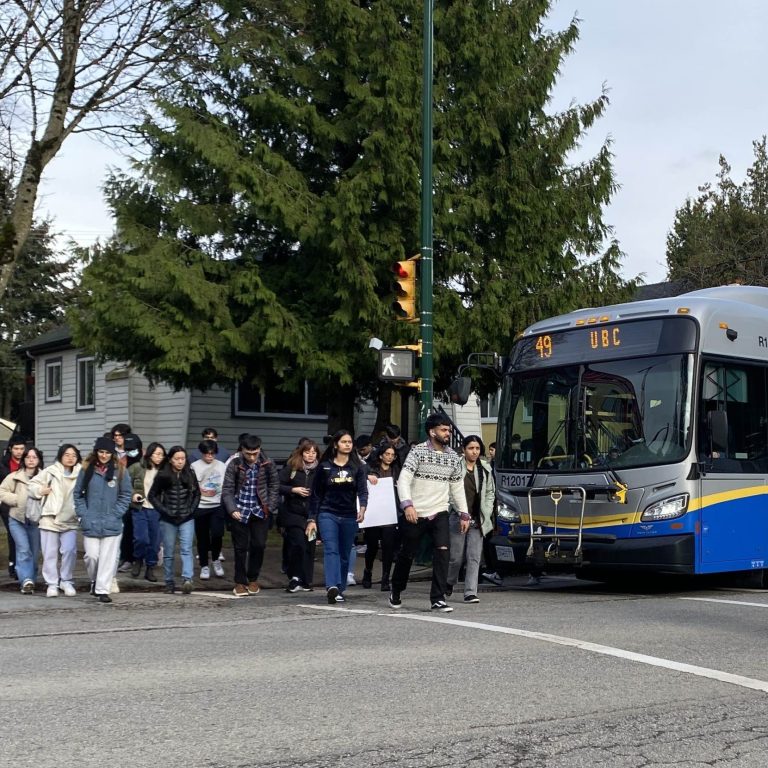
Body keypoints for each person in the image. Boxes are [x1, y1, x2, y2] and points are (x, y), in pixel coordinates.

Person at [390, 412, 469, 612]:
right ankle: (396, 590)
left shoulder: (453, 457)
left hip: (440, 512)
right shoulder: (417, 452)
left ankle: (438, 598)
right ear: (432, 432)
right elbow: (404, 480)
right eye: (443, 430)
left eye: (448, 430)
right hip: (416, 512)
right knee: (407, 554)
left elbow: (457, 487)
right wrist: (407, 505)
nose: (447, 433)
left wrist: (463, 513)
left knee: (443, 553)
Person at [306, 430, 368, 604]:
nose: (347, 444)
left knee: (345, 553)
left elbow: (363, 491)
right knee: (331, 549)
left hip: (349, 515)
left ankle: (340, 589)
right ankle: (331, 585)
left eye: (349, 442)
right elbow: (316, 495)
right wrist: (312, 519)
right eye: (344, 442)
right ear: (335, 444)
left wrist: (362, 508)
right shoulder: (325, 466)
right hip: (328, 513)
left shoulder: (358, 467)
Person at [74, 437, 132, 603]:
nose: (104, 455)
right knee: (91, 556)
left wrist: (116, 513)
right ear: (96, 452)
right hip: (91, 520)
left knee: (107, 557)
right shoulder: (86, 470)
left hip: (111, 521)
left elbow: (125, 494)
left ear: (112, 453)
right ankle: (95, 580)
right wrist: (83, 513)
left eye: (107, 452)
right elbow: (77, 494)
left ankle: (102, 589)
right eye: (101, 452)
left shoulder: (120, 470)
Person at [221, 434, 279, 597]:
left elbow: (274, 486)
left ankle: (253, 578)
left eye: (255, 453)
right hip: (240, 510)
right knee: (240, 548)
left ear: (259, 449)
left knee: (259, 545)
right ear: (242, 450)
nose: (252, 457)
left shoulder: (268, 463)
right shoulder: (234, 463)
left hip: (260, 510)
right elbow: (227, 489)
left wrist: (271, 506)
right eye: (248, 454)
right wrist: (232, 509)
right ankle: (240, 581)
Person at [446, 435, 496, 604]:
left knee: (474, 556)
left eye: (477, 448)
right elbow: (450, 492)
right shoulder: (455, 467)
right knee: (455, 557)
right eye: (470, 448)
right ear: (463, 449)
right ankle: (449, 581)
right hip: (458, 516)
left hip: (477, 518)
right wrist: (461, 513)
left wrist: (486, 511)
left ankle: (470, 592)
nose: (474, 452)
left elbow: (490, 492)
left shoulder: (484, 468)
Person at [29, 444, 82, 597]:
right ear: (60, 456)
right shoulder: (50, 472)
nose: (70, 458)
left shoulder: (82, 473)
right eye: (67, 454)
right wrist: (40, 491)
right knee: (50, 553)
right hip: (50, 517)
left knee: (70, 551)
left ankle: (66, 580)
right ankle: (51, 583)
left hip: (70, 518)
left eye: (73, 455)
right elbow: (32, 485)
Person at [148, 446, 201, 594]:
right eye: (177, 459)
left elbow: (197, 494)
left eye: (182, 458)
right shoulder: (163, 475)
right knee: (169, 552)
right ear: (170, 460)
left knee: (186, 549)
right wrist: (164, 510)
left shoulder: (190, 473)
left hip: (187, 517)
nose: (180, 462)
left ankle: (187, 579)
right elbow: (152, 495)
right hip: (168, 518)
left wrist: (191, 510)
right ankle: (169, 582)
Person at [277, 438, 320, 593]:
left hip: (312, 514)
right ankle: (294, 577)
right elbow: (277, 485)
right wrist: (293, 490)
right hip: (293, 512)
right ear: (301, 453)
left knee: (310, 545)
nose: (310, 455)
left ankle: (306, 579)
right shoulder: (292, 467)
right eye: (307, 452)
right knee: (297, 543)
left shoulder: (320, 470)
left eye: (313, 452)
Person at [0, 446, 44, 593]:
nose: (31, 460)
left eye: (34, 457)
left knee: (34, 551)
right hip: (17, 519)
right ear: (24, 460)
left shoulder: (44, 477)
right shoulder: (15, 476)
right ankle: (26, 580)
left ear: (39, 460)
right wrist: (16, 499)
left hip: (35, 521)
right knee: (23, 549)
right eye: (28, 457)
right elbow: (2, 491)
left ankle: (31, 578)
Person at [362, 444, 399, 591]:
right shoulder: (370, 468)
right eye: (387, 454)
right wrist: (368, 477)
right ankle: (368, 572)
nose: (389, 457)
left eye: (392, 454)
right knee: (371, 546)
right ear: (380, 455)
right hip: (374, 513)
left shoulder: (396, 470)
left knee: (388, 547)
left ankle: (385, 578)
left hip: (389, 512)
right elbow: (359, 478)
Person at [128, 441, 166, 582]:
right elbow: (124, 483)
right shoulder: (137, 467)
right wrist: (133, 494)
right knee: (141, 538)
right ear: (150, 454)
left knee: (155, 541)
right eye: (157, 454)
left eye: (162, 454)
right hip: (140, 508)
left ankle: (150, 567)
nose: (160, 457)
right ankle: (138, 559)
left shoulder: (164, 470)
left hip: (157, 509)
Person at [191, 439, 227, 580]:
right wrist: (203, 493)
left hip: (217, 505)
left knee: (217, 534)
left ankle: (216, 559)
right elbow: (192, 486)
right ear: (202, 453)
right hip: (200, 506)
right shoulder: (194, 466)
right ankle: (204, 565)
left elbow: (225, 485)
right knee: (202, 536)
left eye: (212, 454)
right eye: (207, 454)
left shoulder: (222, 466)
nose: (209, 457)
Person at [0, 437, 26, 579]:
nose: (19, 452)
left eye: (21, 449)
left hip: (22, 503)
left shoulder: (28, 462)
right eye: (16, 449)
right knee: (12, 532)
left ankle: (19, 564)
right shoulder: (3, 464)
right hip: (5, 503)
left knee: (20, 533)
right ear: (10, 449)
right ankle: (13, 564)